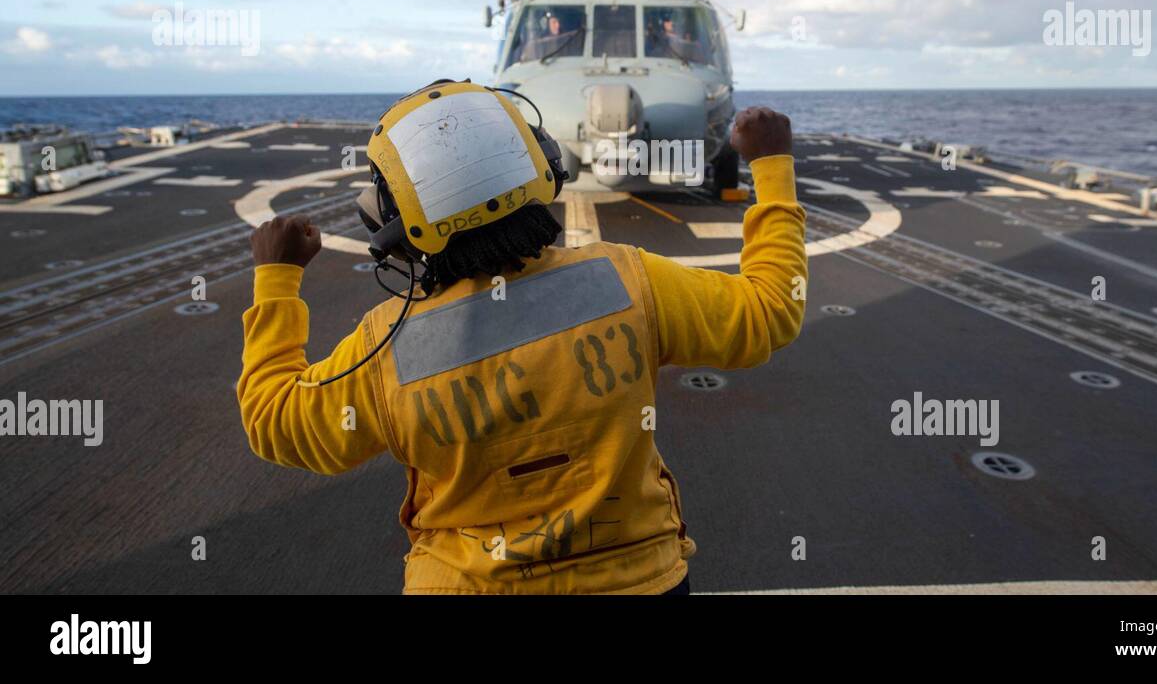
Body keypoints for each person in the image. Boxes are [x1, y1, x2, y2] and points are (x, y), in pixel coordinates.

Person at [237, 80, 806, 594]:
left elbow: (273, 422)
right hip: (640, 581)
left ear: (387, 222)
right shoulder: (628, 280)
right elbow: (773, 311)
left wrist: (277, 280)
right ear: (546, 168)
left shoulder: (386, 347)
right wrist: (772, 166)